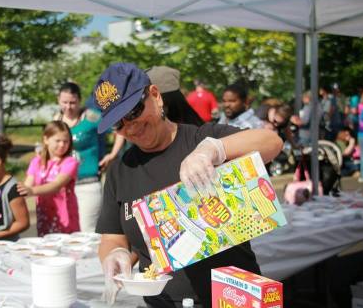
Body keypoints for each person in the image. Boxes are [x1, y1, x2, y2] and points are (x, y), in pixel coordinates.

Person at [93, 63, 282, 308]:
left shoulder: (200, 138)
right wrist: (114, 255)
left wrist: (214, 149)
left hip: (234, 298)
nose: (131, 127)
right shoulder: (120, 170)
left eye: (134, 111)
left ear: (155, 96)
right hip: (163, 302)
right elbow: (113, 236)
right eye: (119, 124)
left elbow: (271, 142)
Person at [53, 82, 124, 232]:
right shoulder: (56, 119)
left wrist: (112, 154)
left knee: (87, 230)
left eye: (73, 102)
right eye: (64, 102)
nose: (68, 107)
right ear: (58, 100)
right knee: (64, 231)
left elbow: (118, 130)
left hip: (88, 183)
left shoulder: (92, 117)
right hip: (61, 184)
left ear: (79, 100)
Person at [18, 121, 80, 236]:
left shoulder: (70, 162)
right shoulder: (36, 162)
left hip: (65, 220)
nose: (62, 145)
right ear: (46, 139)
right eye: (58, 141)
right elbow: (27, 184)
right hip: (44, 218)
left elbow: (56, 185)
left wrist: (31, 191)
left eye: (66, 141)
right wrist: (19, 192)